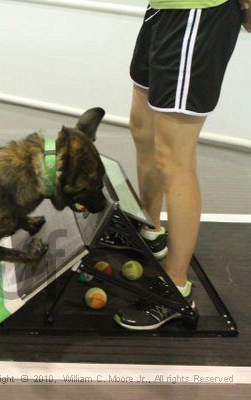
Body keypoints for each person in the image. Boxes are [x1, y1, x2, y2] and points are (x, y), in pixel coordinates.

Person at [114, 0, 248, 330]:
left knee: (173, 158)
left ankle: (176, 288)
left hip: (198, 14)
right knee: (141, 128)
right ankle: (151, 229)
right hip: (164, 8)